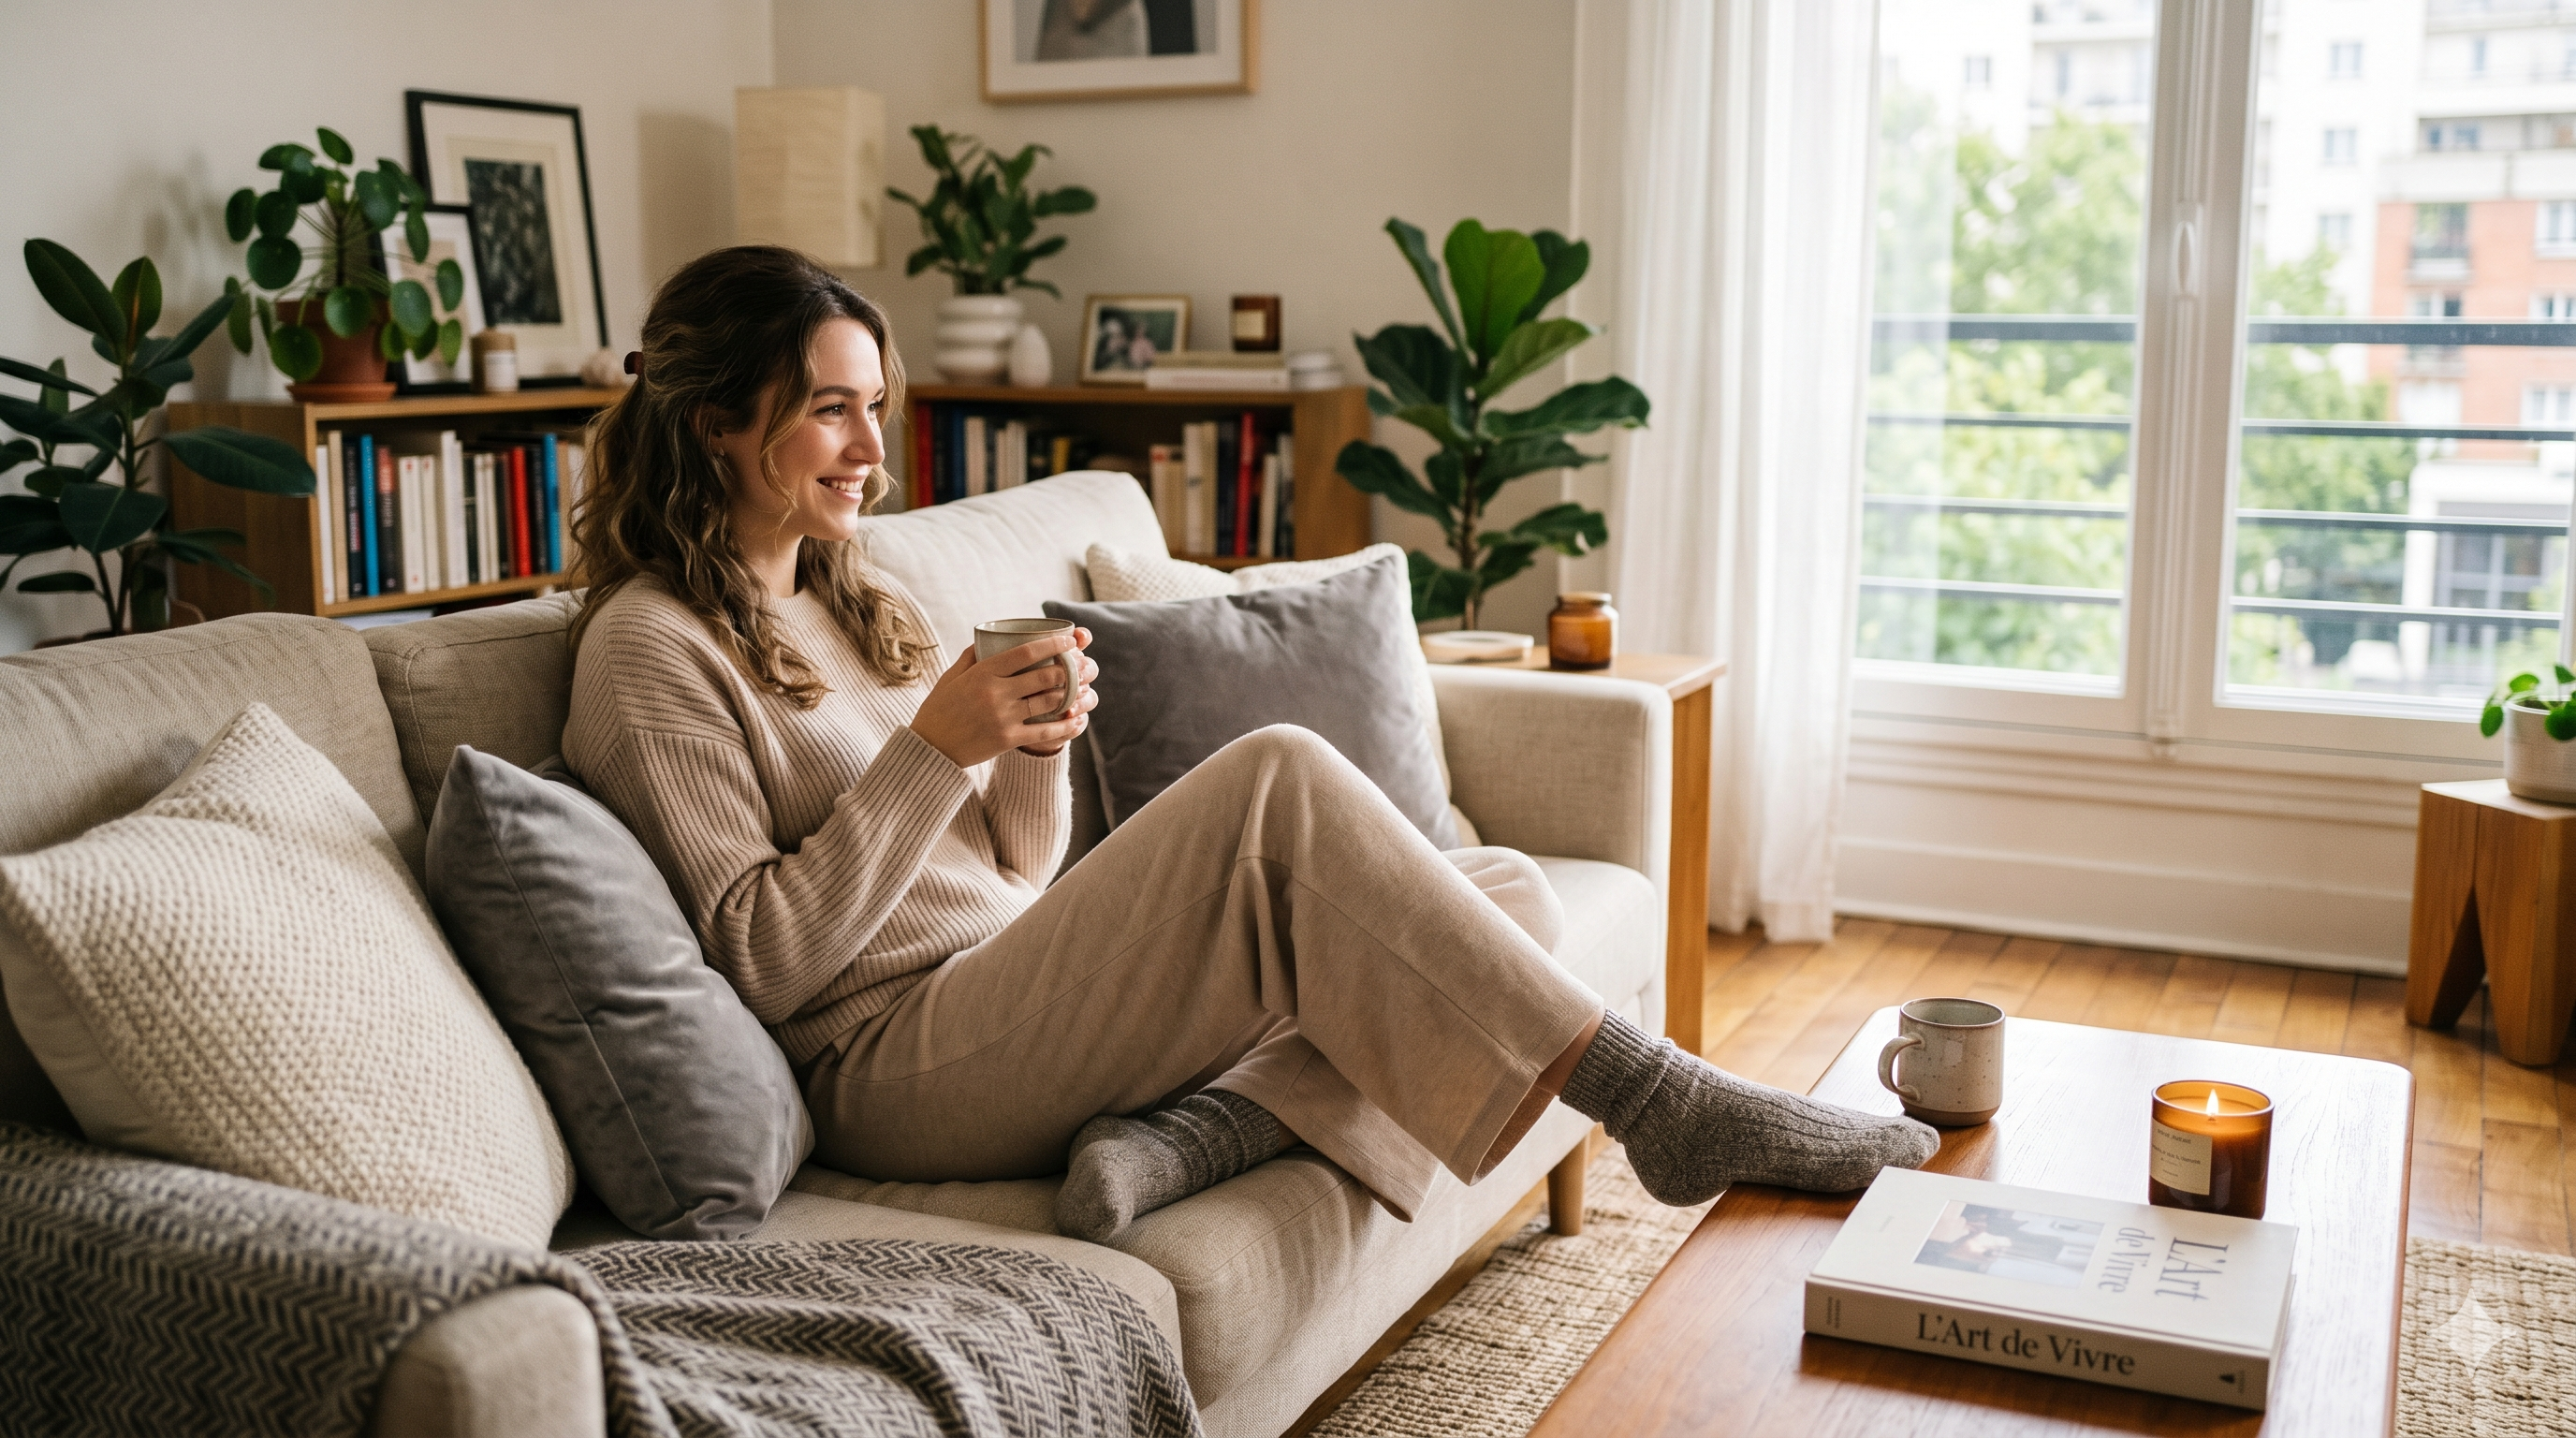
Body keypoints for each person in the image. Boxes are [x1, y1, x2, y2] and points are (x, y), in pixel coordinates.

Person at [563, 245, 1937, 1243]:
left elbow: (1017, 877)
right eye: (829, 408)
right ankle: (1665, 1104)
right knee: (1279, 780)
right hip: (887, 1064)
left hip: (1004, 989)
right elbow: (762, 960)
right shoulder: (649, 649)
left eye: (875, 403)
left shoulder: (859, 594)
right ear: (715, 419)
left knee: (1501, 895)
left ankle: (1199, 1134)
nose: (871, 444)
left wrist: (1030, 747)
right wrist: (935, 750)